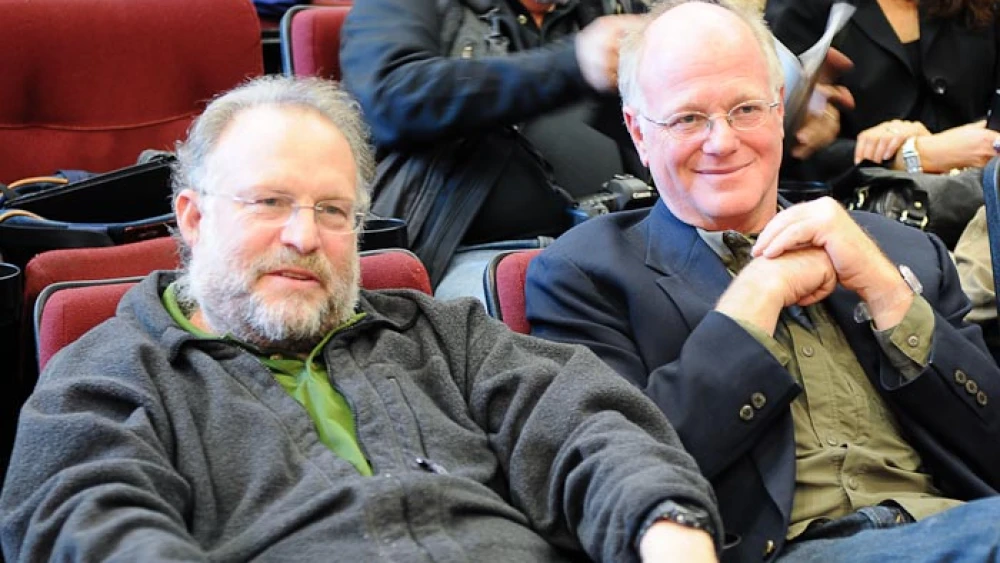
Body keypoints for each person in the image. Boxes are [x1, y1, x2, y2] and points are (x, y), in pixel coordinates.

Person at [0, 76, 723, 562]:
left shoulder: (445, 335)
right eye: (270, 202)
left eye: (333, 210)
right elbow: (93, 529)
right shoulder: (106, 378)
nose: (304, 236)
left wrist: (666, 526)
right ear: (192, 217)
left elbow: (589, 426)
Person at [524, 1, 1000, 561]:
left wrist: (886, 291)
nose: (721, 141)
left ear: (780, 112)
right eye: (686, 118)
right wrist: (755, 298)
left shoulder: (896, 249)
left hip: (959, 522)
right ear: (639, 132)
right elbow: (626, 475)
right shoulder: (584, 273)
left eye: (746, 108)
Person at [339, 0, 649, 291]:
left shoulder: (609, 8)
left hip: (621, 234)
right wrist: (571, 64)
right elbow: (390, 97)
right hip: (465, 255)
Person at [765, 0, 1000, 181]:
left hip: (977, 195)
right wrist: (908, 155)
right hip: (857, 206)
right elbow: (784, 147)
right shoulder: (805, 9)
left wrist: (977, 138)